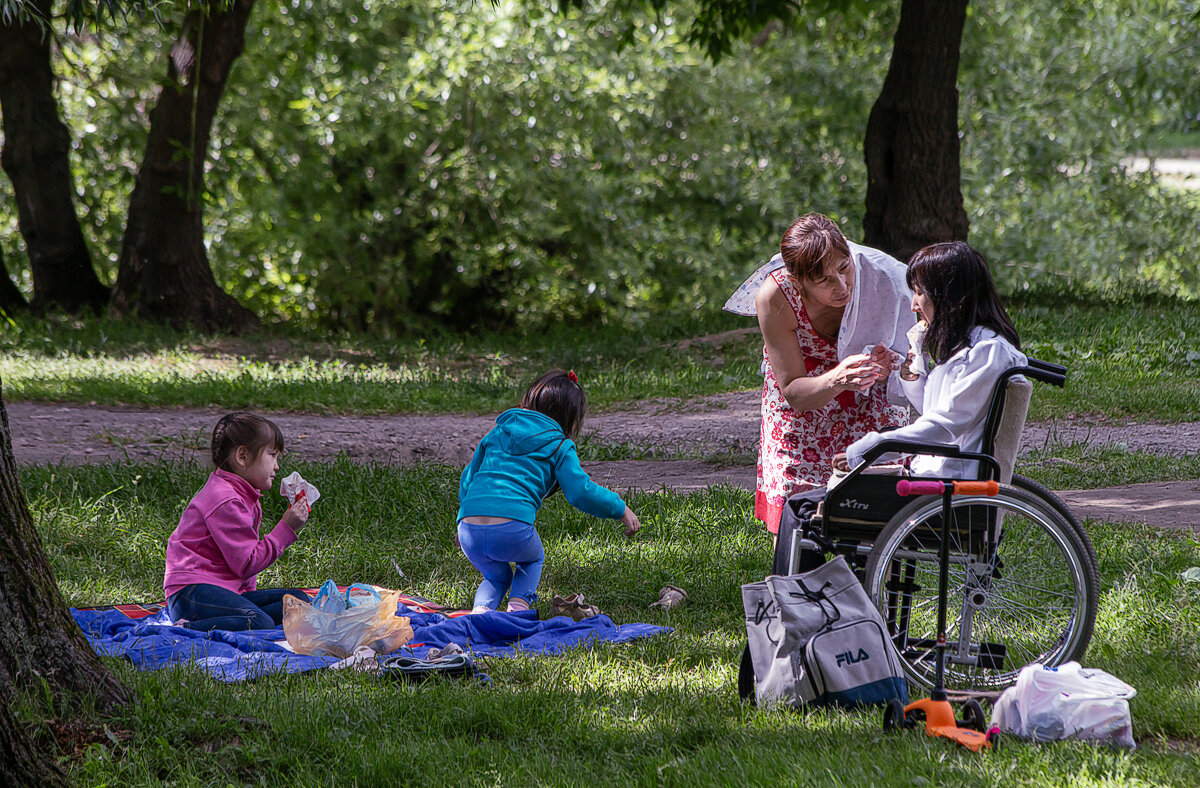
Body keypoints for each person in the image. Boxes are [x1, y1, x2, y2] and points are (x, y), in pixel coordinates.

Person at [725, 213, 916, 535]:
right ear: (798, 282)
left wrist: (893, 366)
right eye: (824, 280)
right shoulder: (776, 297)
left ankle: (866, 581)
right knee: (796, 519)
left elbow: (921, 361)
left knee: (872, 507)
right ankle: (794, 583)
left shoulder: (885, 281)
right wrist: (839, 378)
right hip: (803, 410)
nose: (841, 286)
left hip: (869, 405)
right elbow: (793, 391)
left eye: (844, 268)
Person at [836, 240, 1026, 478]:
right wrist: (913, 377)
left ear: (950, 297)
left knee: (813, 506)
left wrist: (871, 448)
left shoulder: (989, 352)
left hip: (950, 481)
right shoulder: (966, 348)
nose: (914, 305)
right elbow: (935, 412)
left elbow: (943, 427)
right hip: (932, 472)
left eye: (919, 293)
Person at [457, 369, 641, 614]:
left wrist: (463, 516)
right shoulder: (559, 445)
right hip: (513, 527)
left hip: (468, 528)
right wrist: (620, 509)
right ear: (570, 418)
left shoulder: (499, 432)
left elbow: (468, 477)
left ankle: (479, 613)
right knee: (532, 560)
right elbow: (580, 492)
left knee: (496, 578)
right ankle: (518, 610)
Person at [163, 412, 312, 632]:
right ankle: (189, 627)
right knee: (259, 621)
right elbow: (247, 564)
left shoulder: (242, 494)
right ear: (242, 457)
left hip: (225, 590)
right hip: (191, 593)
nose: (277, 466)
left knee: (298, 602)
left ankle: (237, 617)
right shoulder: (225, 499)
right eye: (272, 455)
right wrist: (286, 529)